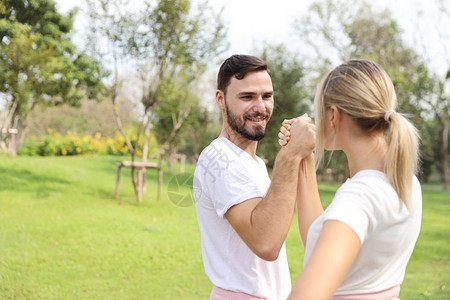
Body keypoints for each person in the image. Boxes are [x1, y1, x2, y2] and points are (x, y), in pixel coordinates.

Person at [279, 59, 422, 300]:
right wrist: (302, 155)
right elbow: (320, 240)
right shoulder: (404, 179)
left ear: (333, 115)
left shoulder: (359, 198)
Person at [193, 54, 315, 300]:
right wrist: (289, 156)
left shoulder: (255, 163)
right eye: (247, 97)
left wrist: (303, 156)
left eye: (267, 96)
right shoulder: (218, 158)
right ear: (221, 99)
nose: (260, 107)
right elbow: (266, 243)